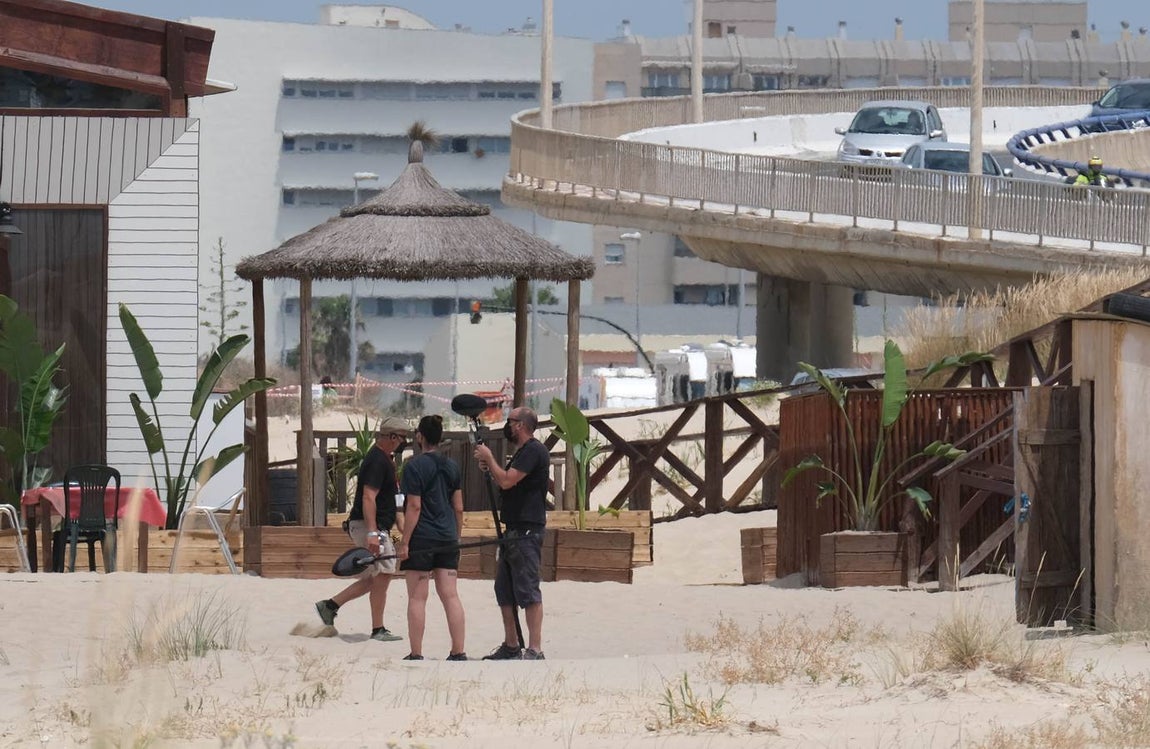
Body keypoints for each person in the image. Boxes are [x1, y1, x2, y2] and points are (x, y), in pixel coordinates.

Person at [314, 415, 409, 642]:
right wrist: (373, 533)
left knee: (374, 577)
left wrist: (404, 532)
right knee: (384, 575)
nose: (404, 442)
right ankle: (378, 629)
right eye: (403, 437)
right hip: (369, 526)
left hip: (373, 526)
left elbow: (395, 503)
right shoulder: (377, 460)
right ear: (393, 436)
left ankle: (329, 605)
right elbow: (368, 497)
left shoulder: (386, 460)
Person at [472, 406, 550, 660]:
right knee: (504, 590)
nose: (508, 425)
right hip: (513, 529)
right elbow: (505, 480)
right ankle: (511, 644)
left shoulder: (534, 451)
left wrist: (490, 458)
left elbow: (507, 480)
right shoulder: (521, 453)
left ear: (521, 425)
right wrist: (490, 467)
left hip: (527, 529)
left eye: (511, 421)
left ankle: (535, 648)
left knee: (527, 589)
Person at [396, 415, 467, 661]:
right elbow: (458, 507)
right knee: (450, 595)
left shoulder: (414, 466)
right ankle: (458, 651)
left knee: (417, 596)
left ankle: (416, 652)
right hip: (447, 536)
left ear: (420, 437)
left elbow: (413, 506)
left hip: (422, 538)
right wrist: (456, 537)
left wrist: (405, 541)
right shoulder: (452, 466)